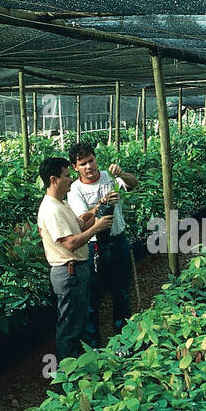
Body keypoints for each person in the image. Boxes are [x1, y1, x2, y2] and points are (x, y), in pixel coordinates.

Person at [36, 156, 112, 365]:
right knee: (69, 325)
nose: (71, 179)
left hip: (76, 270)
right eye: (67, 176)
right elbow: (69, 243)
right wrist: (97, 228)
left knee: (77, 320)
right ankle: (67, 373)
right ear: (54, 179)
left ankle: (77, 366)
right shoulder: (51, 209)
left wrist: (96, 210)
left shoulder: (62, 204)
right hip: (68, 272)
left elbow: (79, 227)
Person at [65, 141, 138, 345]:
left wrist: (121, 174)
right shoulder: (75, 190)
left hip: (119, 242)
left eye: (91, 160)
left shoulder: (109, 177)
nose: (89, 166)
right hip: (94, 247)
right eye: (83, 164)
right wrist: (101, 204)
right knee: (92, 298)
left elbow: (133, 183)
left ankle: (123, 342)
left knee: (122, 293)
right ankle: (93, 345)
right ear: (75, 167)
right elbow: (82, 222)